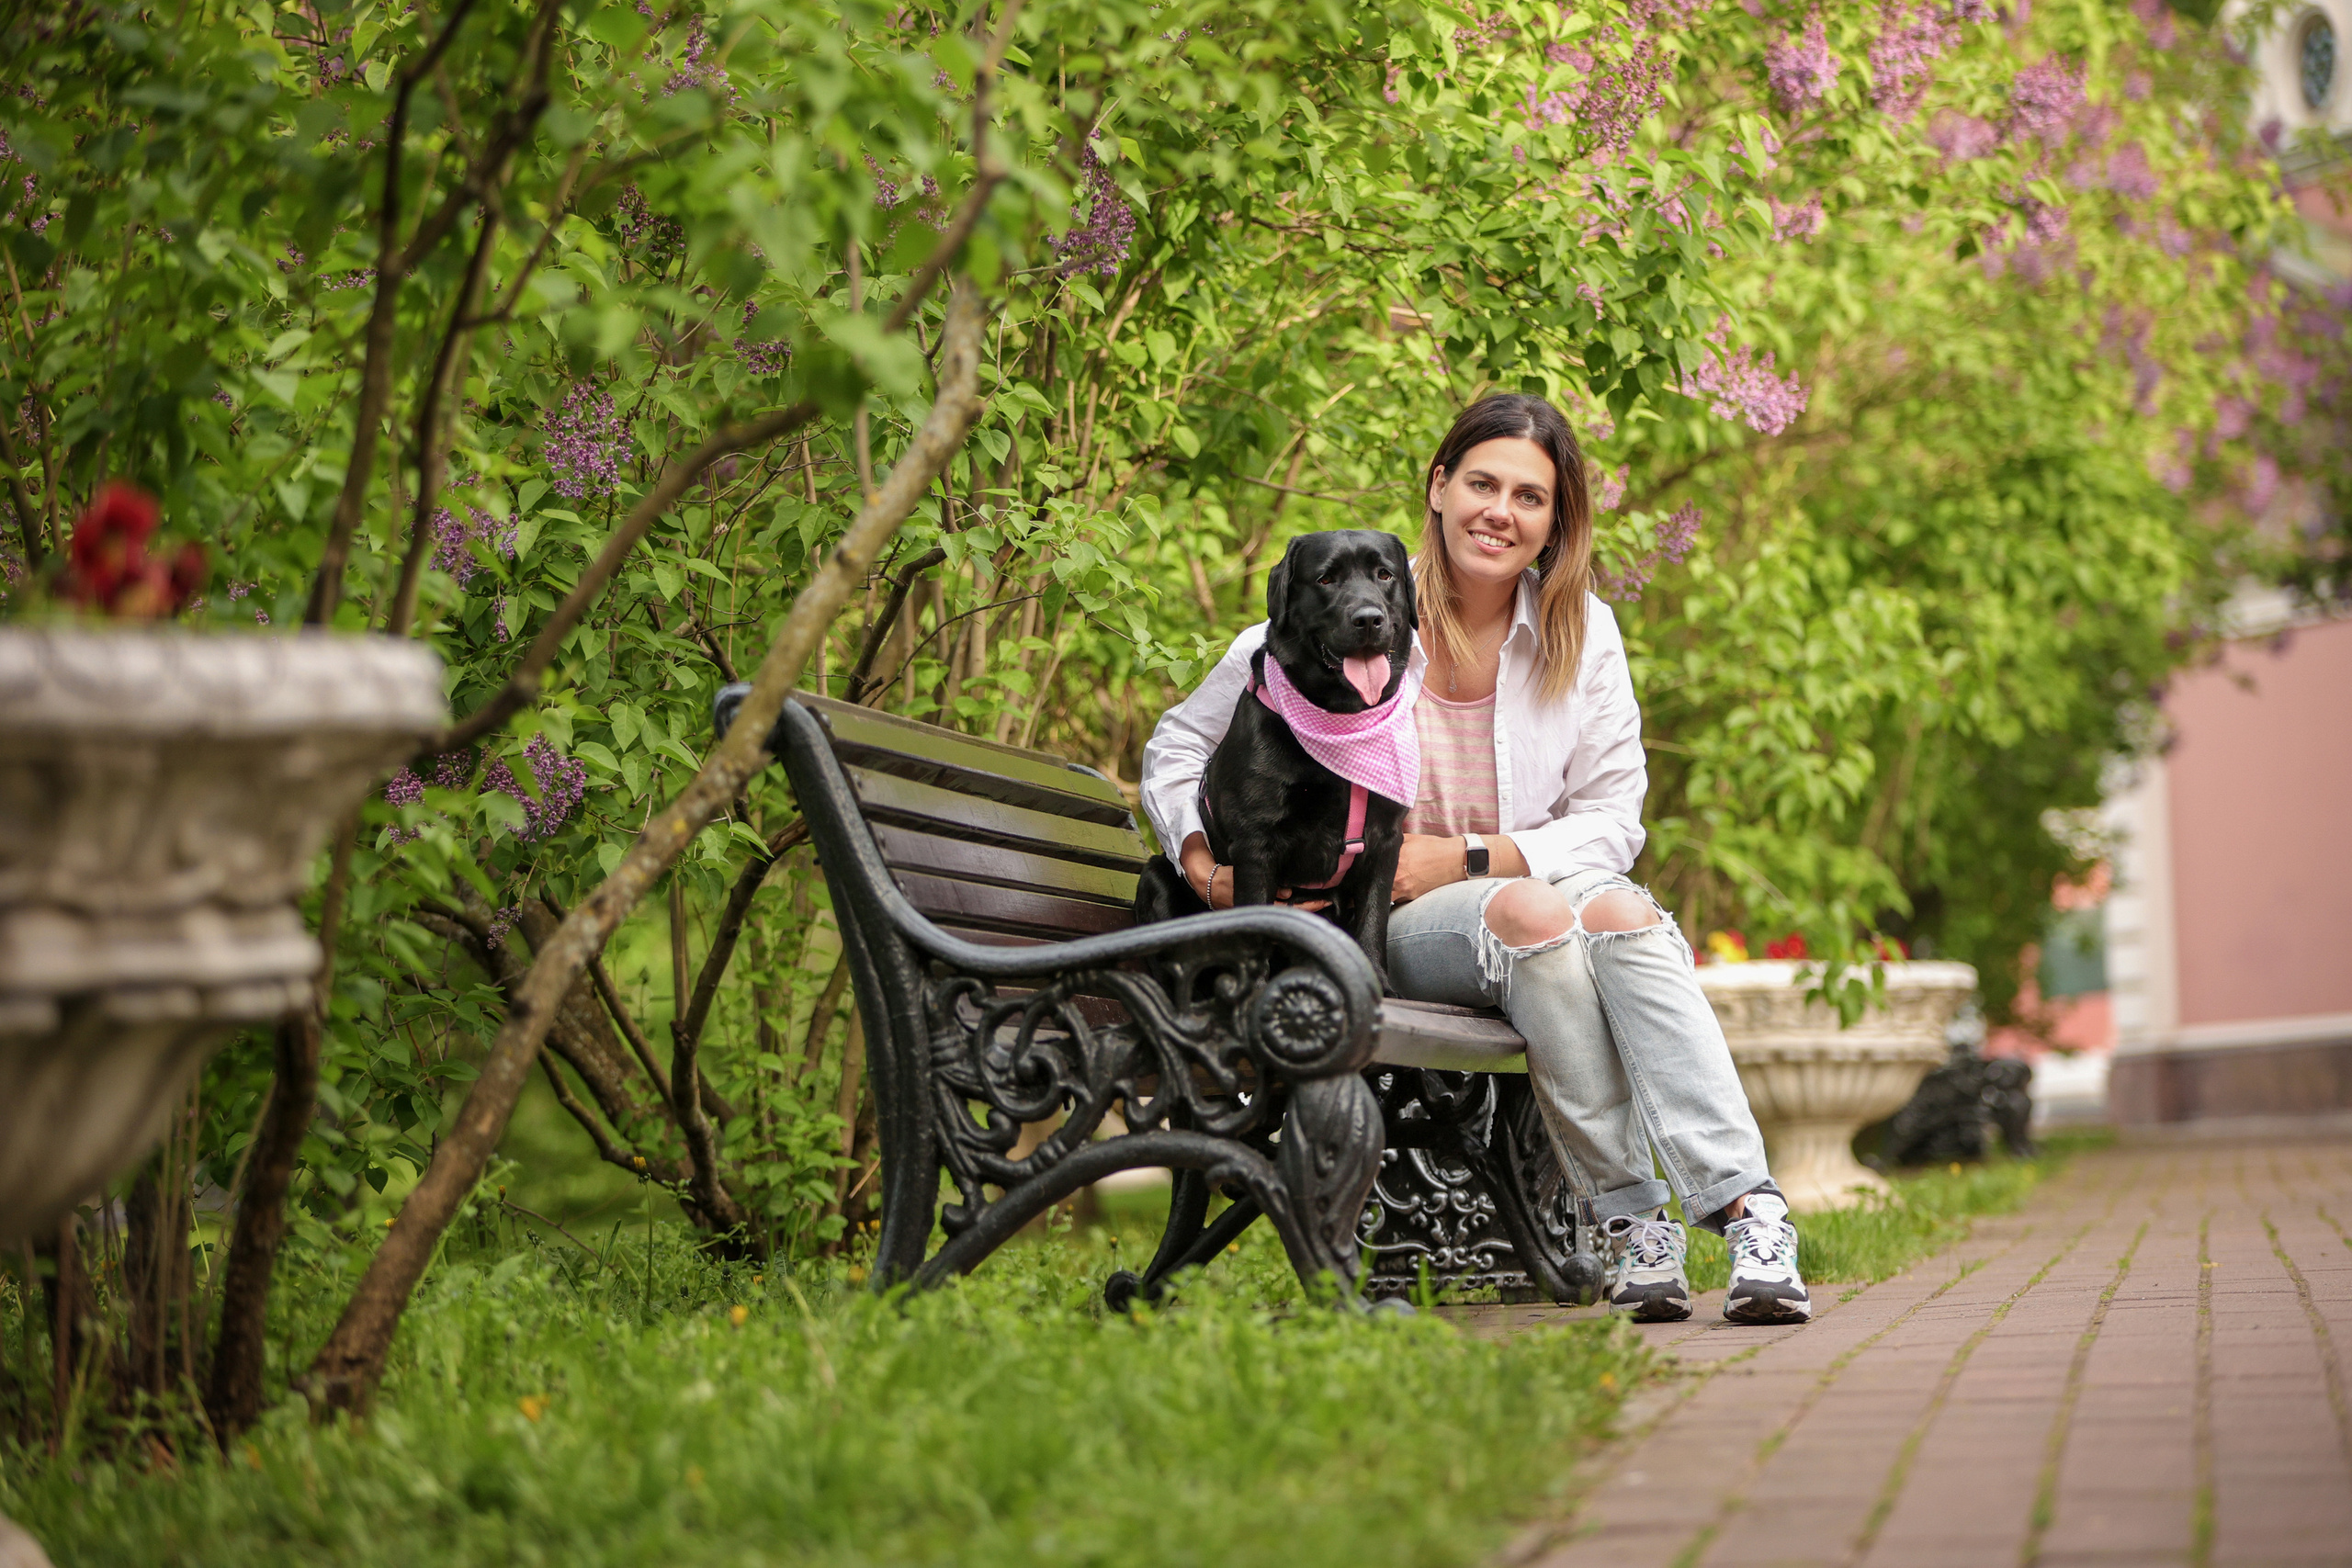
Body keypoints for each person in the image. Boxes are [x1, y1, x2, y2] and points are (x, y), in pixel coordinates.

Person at [1138, 393, 1811, 1324]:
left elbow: (1613, 822)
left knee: (1617, 912)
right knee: (1538, 914)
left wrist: (1469, 856)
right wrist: (1206, 863)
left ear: (1553, 522)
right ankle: (1630, 1221)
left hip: (1509, 893)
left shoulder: (1585, 635)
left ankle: (1745, 1211)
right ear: (1439, 487)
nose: (1501, 511)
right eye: (1482, 483)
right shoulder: (1350, 602)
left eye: (1529, 497)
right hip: (1380, 916)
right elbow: (1177, 748)